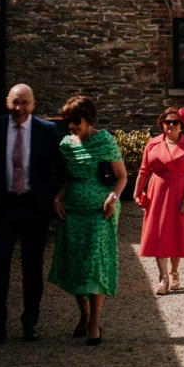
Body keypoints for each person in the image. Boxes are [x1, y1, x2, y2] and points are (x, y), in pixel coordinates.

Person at [0, 84, 61, 345]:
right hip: (3, 209)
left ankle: (30, 323)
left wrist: (52, 201)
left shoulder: (48, 130)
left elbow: (58, 169)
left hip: (34, 209)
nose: (19, 108)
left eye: (25, 103)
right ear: (6, 102)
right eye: (15, 102)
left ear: (33, 104)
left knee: (32, 270)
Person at [48, 95, 127, 346]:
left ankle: (95, 322)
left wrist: (112, 198)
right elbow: (69, 180)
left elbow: (122, 177)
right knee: (76, 266)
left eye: (76, 121)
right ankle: (84, 315)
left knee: (94, 264)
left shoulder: (104, 140)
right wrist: (57, 200)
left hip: (100, 213)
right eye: (68, 121)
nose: (71, 125)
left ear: (88, 119)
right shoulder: (65, 145)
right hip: (72, 212)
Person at [133, 107, 184, 295]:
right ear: (162, 124)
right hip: (157, 193)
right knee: (159, 234)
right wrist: (136, 193)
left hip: (181, 193)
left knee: (177, 233)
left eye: (174, 122)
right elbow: (143, 171)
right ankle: (163, 278)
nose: (170, 125)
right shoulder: (152, 144)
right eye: (166, 121)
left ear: (181, 126)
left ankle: (175, 273)